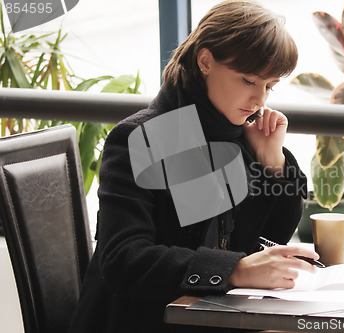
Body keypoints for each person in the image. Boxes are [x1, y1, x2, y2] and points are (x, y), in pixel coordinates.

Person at [69, 1, 318, 332]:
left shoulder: (235, 133)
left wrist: (272, 162)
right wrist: (233, 270)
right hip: (141, 320)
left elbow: (268, 237)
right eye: (248, 80)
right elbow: (123, 259)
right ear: (205, 61)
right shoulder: (146, 137)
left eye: (269, 86)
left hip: (211, 317)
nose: (260, 99)